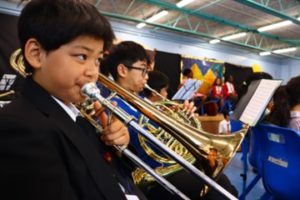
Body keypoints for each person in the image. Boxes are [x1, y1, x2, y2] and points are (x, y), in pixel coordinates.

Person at [0, 1, 146, 200]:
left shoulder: (79, 113)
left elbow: (113, 174)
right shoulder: (18, 126)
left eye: (97, 60)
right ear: (36, 54)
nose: (93, 72)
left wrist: (118, 147)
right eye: (81, 56)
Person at [101, 41, 237, 200]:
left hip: (172, 163)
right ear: (122, 70)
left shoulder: (141, 97)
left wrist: (183, 115)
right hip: (155, 173)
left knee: (225, 185)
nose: (146, 77)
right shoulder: (111, 103)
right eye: (143, 70)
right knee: (218, 192)